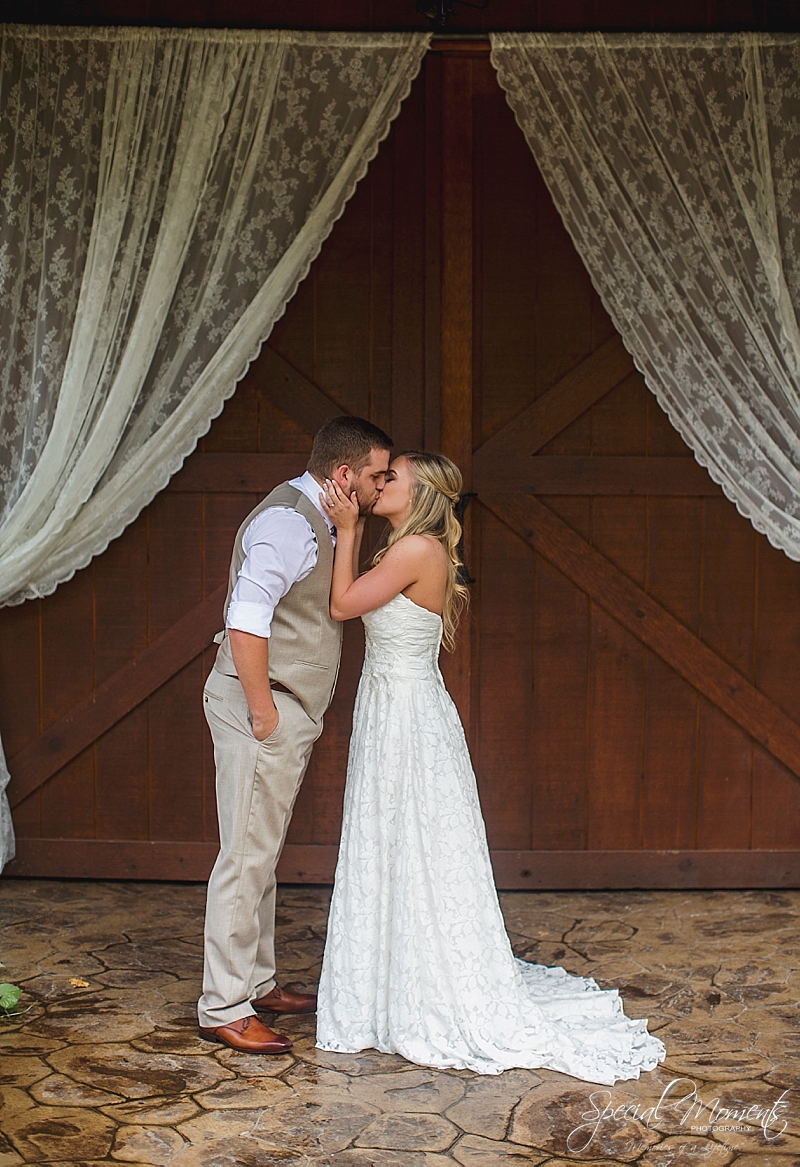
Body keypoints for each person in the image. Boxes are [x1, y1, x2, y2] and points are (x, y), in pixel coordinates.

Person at [315, 451, 666, 1081]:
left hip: (407, 716)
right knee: (393, 841)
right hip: (391, 707)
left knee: (416, 840)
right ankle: (387, 985)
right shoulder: (402, 546)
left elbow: (343, 606)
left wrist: (345, 529)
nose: (383, 481)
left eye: (394, 475)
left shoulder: (417, 549)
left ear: (421, 495)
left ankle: (418, 988)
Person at [198, 415, 393, 1054]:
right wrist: (263, 712)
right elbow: (247, 619)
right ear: (343, 475)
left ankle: (257, 981)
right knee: (245, 856)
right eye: (375, 475)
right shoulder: (287, 523)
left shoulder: (323, 519)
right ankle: (224, 1005)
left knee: (262, 848)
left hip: (278, 708)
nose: (381, 484)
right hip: (263, 709)